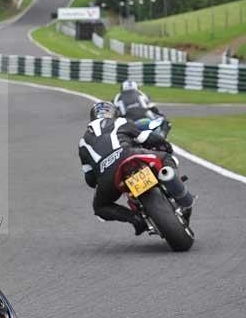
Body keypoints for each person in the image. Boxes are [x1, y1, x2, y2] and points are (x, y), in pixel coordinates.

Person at [78, 101, 193, 236]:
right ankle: (172, 184)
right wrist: (165, 146)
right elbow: (146, 138)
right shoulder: (121, 122)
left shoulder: (83, 142)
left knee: (100, 207)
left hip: (108, 175)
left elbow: (90, 180)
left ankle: (134, 218)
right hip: (129, 155)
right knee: (167, 157)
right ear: (115, 113)